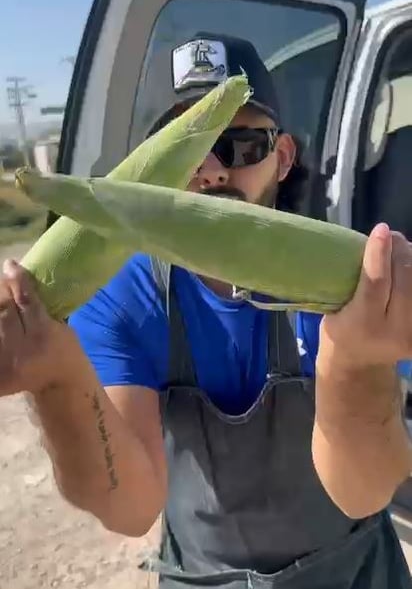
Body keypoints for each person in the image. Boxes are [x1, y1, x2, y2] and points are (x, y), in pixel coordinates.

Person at [1, 33, 412, 589]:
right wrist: (55, 382)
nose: (213, 172)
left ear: (284, 157)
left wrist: (352, 364)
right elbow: (130, 508)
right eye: (185, 151)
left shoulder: (347, 283)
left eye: (242, 146)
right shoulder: (123, 296)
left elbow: (364, 490)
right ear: (148, 170)